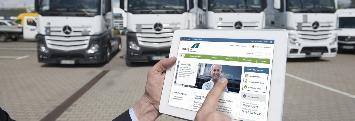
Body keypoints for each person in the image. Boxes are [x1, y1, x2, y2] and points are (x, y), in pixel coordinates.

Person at [113, 57, 231, 121]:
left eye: (218, 70)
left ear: (221, 72)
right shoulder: (205, 85)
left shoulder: (226, 87)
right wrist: (150, 102)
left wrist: (148, 104)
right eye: (214, 70)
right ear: (210, 72)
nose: (216, 72)